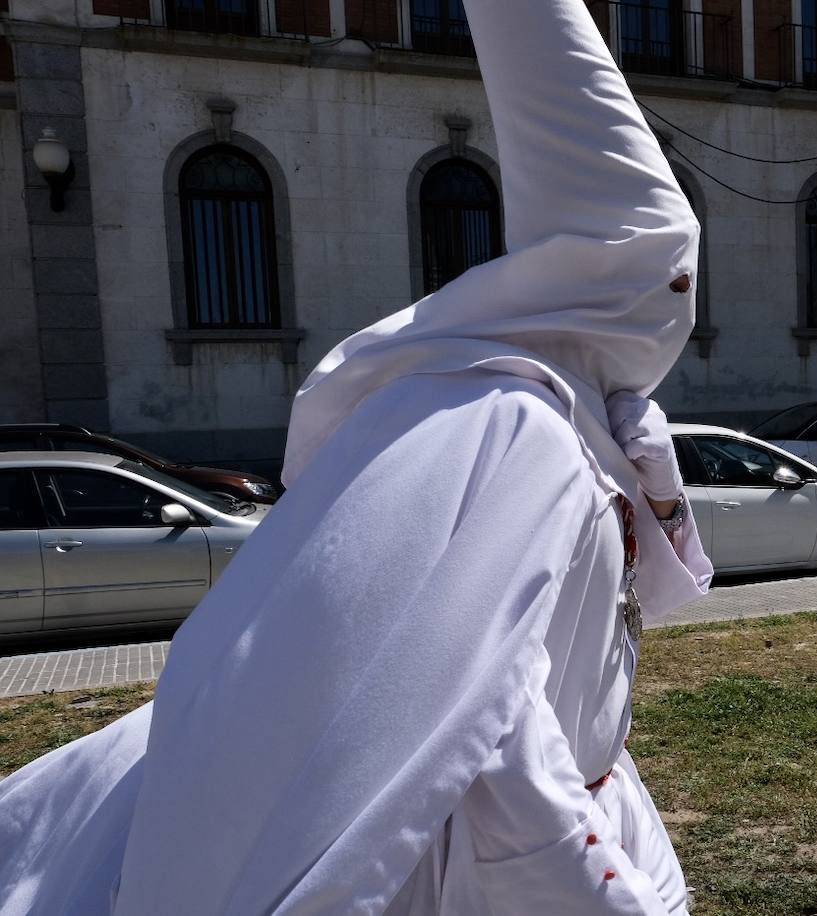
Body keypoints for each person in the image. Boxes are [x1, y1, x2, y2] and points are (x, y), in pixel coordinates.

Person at [0, 0, 711, 912]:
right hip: (479, 850)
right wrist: (608, 888)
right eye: (669, 280)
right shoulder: (504, 423)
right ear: (595, 284)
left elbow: (603, 615)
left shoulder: (585, 417)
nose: (679, 310)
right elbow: (483, 709)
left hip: (581, 792)